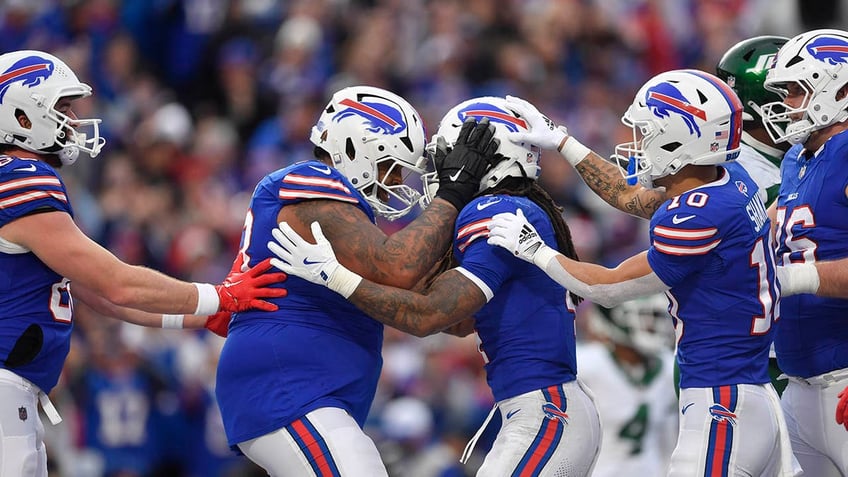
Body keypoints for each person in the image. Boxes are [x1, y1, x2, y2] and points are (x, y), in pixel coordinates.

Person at [484, 70, 798, 476]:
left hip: (722, 401)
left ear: (679, 139)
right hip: (751, 393)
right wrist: (563, 141)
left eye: (647, 132)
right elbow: (628, 195)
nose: (636, 143)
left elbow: (610, 288)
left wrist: (536, 251)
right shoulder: (731, 181)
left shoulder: (696, 216)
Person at [269, 95, 603, 476]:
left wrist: (336, 276)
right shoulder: (518, 207)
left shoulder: (496, 210)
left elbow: (426, 317)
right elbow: (459, 323)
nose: (444, 173)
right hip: (549, 407)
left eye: (452, 159)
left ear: (490, 160)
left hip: (544, 411)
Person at [0, 50, 287, 477]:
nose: (74, 120)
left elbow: (104, 298)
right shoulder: (20, 179)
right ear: (21, 117)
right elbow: (117, 283)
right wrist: (218, 294)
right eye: (61, 108)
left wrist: (205, 313)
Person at [213, 85, 502, 476]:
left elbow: (443, 316)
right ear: (356, 147)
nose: (397, 180)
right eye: (391, 166)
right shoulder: (309, 183)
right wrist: (452, 194)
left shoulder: (349, 229)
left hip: (305, 388)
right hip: (287, 385)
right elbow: (396, 267)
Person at [757, 28, 848, 476]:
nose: (788, 103)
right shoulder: (798, 158)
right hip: (798, 386)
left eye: (797, 90)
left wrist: (792, 279)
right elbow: (755, 234)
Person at [576, 295, 678, 477]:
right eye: (644, 317)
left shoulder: (669, 368)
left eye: (656, 318)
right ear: (617, 318)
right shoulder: (588, 364)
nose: (652, 326)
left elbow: (671, 440)